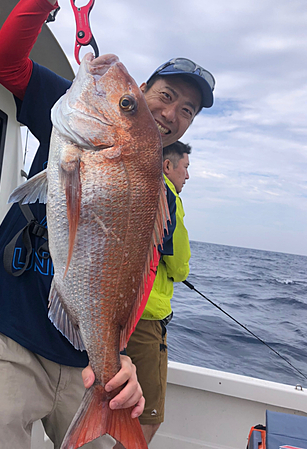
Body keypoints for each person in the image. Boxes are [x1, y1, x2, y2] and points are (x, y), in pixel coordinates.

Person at [0, 0, 215, 448]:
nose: (173, 112)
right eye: (163, 95)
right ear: (144, 91)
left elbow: (135, 287)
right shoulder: (71, 113)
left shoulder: (166, 202)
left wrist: (121, 360)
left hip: (87, 362)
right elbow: (1, 61)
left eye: (188, 110)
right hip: (8, 335)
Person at [114, 141, 192, 448]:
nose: (188, 176)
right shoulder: (168, 197)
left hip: (120, 314)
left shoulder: (134, 189)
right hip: (146, 323)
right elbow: (179, 264)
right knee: (146, 418)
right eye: (185, 167)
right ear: (167, 166)